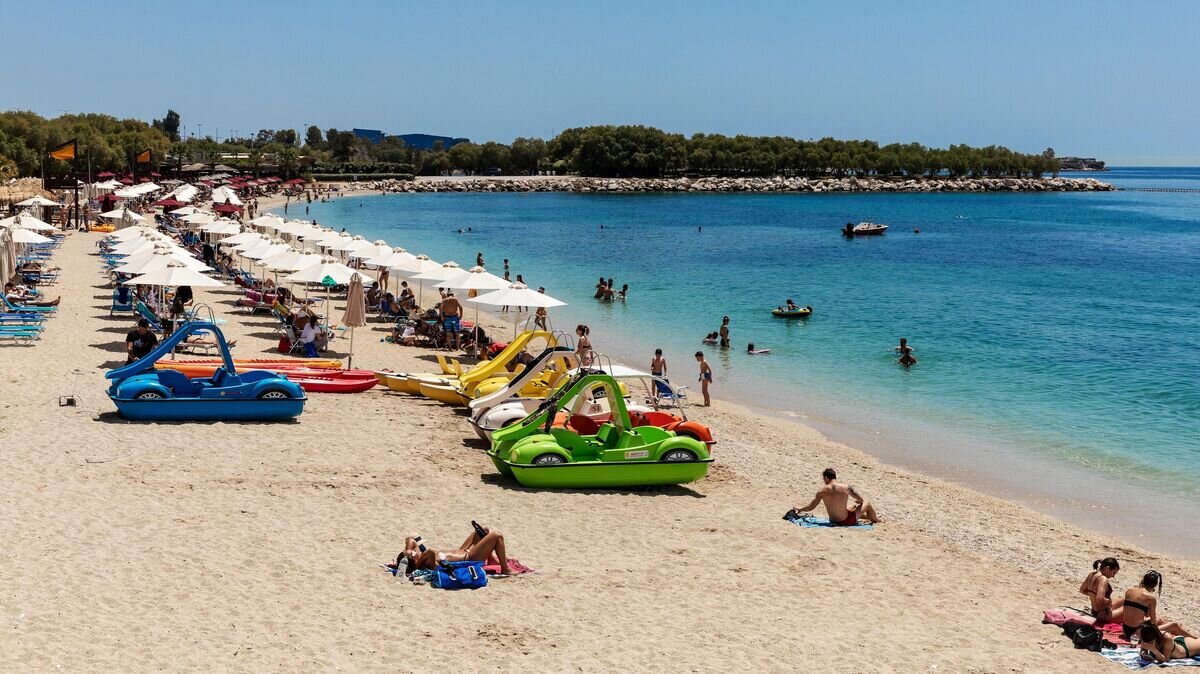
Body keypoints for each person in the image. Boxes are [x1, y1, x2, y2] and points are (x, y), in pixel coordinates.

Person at [390, 524, 511, 577]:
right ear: (414, 561)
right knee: (496, 535)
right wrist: (414, 563)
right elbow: (430, 551)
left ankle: (492, 559)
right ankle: (505, 570)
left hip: (463, 550)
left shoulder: (419, 557)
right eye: (413, 554)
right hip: (470, 558)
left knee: (483, 530)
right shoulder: (426, 563)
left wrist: (407, 553)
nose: (415, 552)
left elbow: (411, 540)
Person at [792, 467, 881, 526]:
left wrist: (799, 509)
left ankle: (870, 518)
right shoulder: (846, 488)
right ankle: (876, 520)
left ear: (826, 478)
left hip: (833, 520)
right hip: (846, 521)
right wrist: (860, 502)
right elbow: (861, 500)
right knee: (867, 504)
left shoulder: (822, 490)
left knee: (853, 506)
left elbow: (810, 507)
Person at [1122, 570, 1195, 639]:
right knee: (1174, 625)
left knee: (1159, 619)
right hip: (1137, 635)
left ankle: (1180, 630)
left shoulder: (1129, 591)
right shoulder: (1150, 598)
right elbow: (1153, 622)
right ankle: (1195, 638)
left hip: (1125, 631)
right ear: (1154, 585)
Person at [1080, 557, 1124, 623]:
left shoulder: (1091, 575)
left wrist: (1093, 595)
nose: (1113, 576)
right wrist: (1108, 601)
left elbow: (1082, 590)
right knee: (1131, 607)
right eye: (1113, 573)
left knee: (1126, 600)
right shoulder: (1103, 579)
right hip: (1104, 615)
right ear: (1107, 568)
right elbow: (1100, 599)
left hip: (1095, 611)